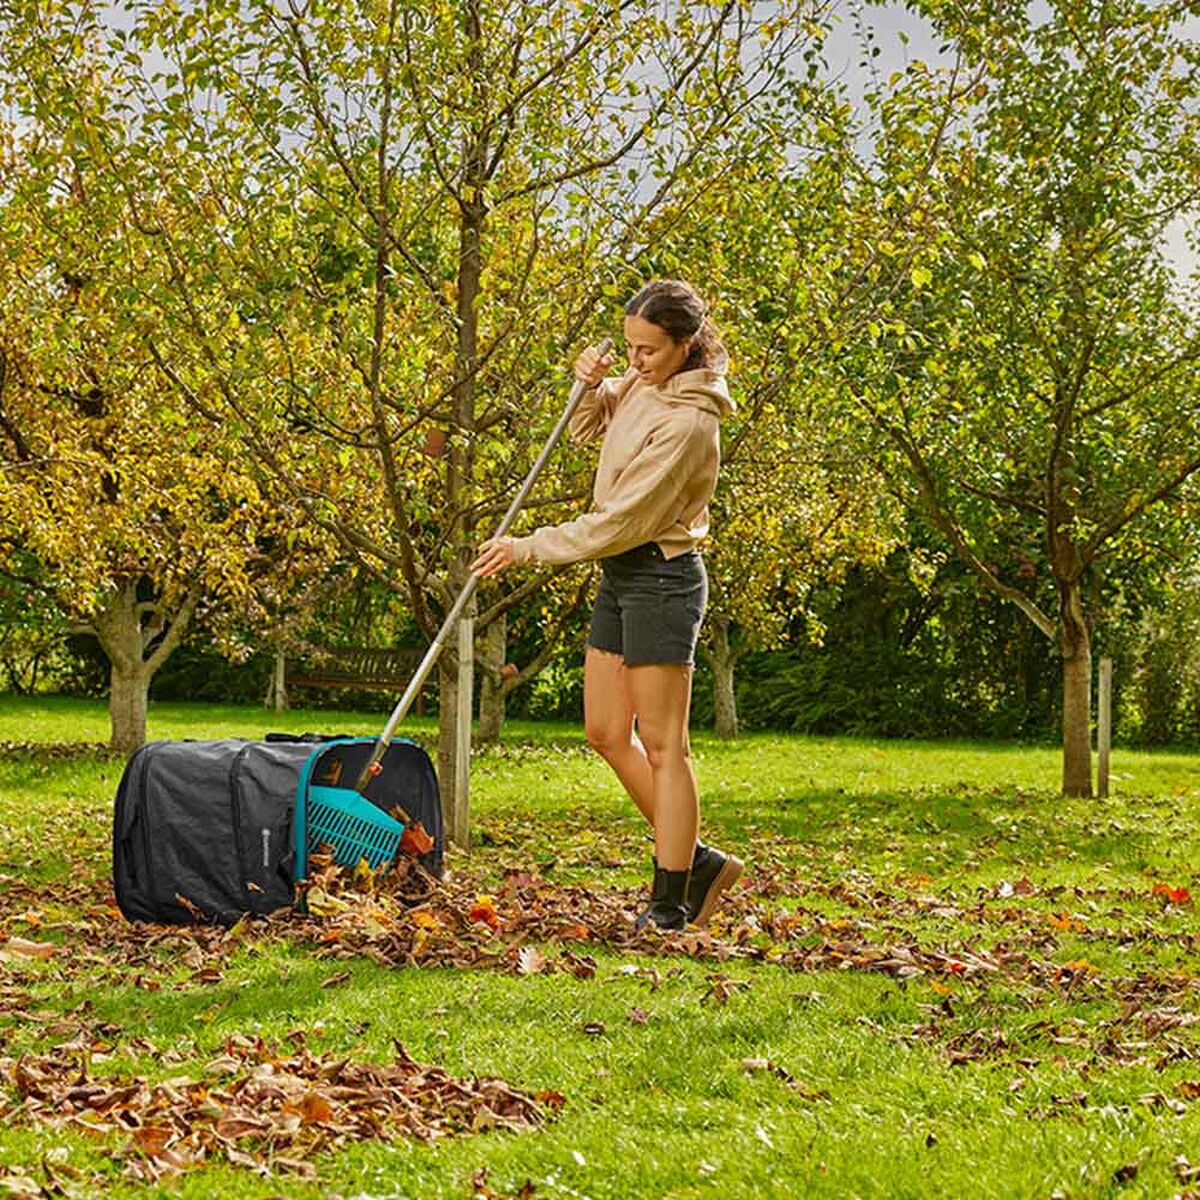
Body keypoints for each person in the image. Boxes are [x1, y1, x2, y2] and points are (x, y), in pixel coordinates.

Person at [471, 279, 743, 932]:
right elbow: (588, 426)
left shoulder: (690, 422)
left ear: (685, 345)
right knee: (602, 731)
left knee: (661, 746)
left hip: (662, 577)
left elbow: (624, 522)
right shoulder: (643, 386)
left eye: (648, 350)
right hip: (622, 576)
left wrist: (530, 547)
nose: (636, 361)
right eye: (628, 348)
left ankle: (671, 899)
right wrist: (590, 384)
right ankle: (698, 859)